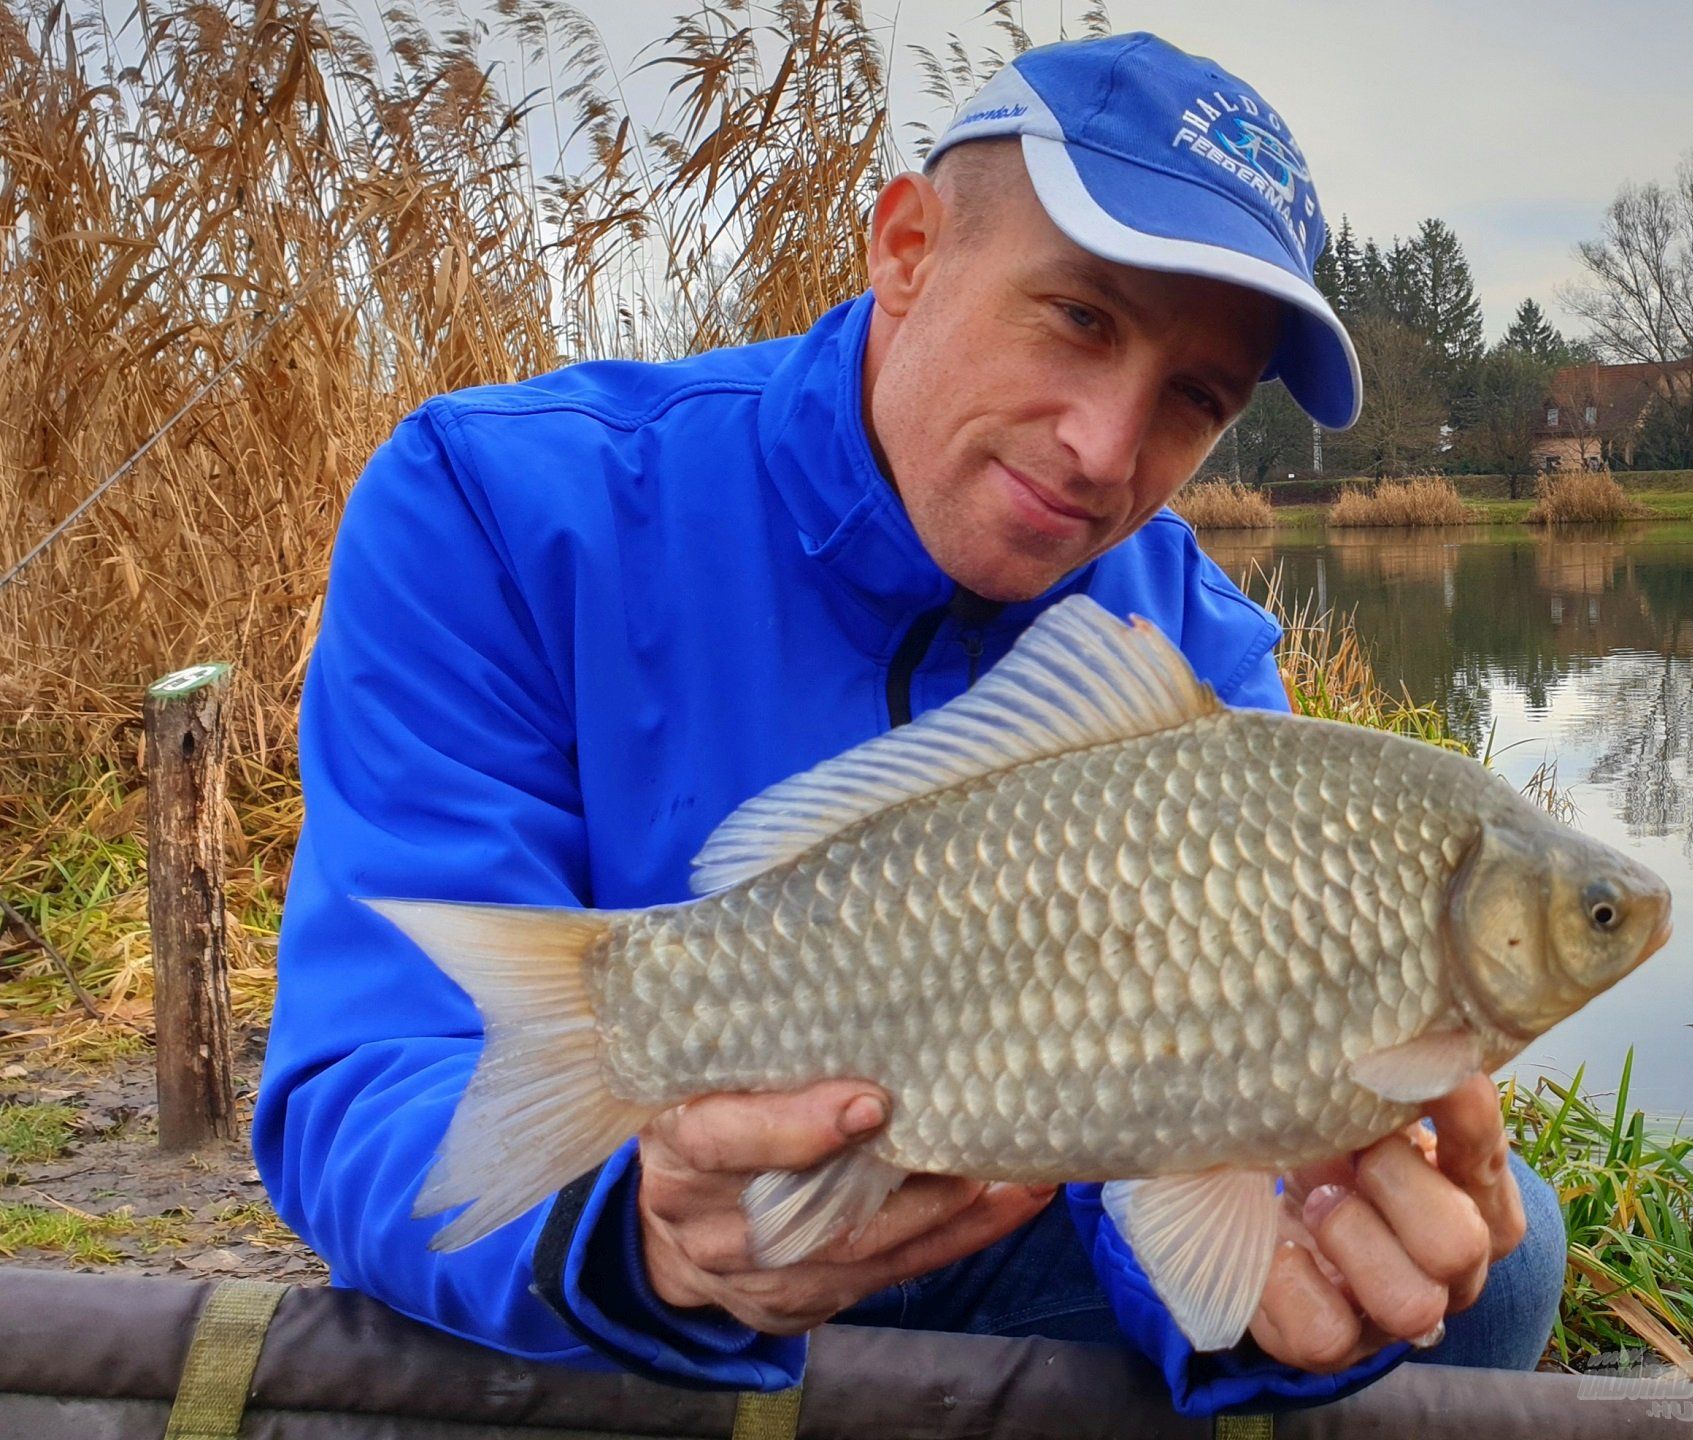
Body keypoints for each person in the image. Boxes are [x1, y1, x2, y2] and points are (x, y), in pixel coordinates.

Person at [253, 32, 1566, 1418]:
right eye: (1078, 319)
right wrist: (635, 1240)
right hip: (661, 1242)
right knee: (500, 1262)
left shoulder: (1190, 638)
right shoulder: (498, 505)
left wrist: (1279, 1264)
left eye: (1194, 399)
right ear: (906, 247)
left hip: (1004, 1213)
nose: (1107, 451)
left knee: (1502, 1259)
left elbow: (1188, 1151)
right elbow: (371, 1078)